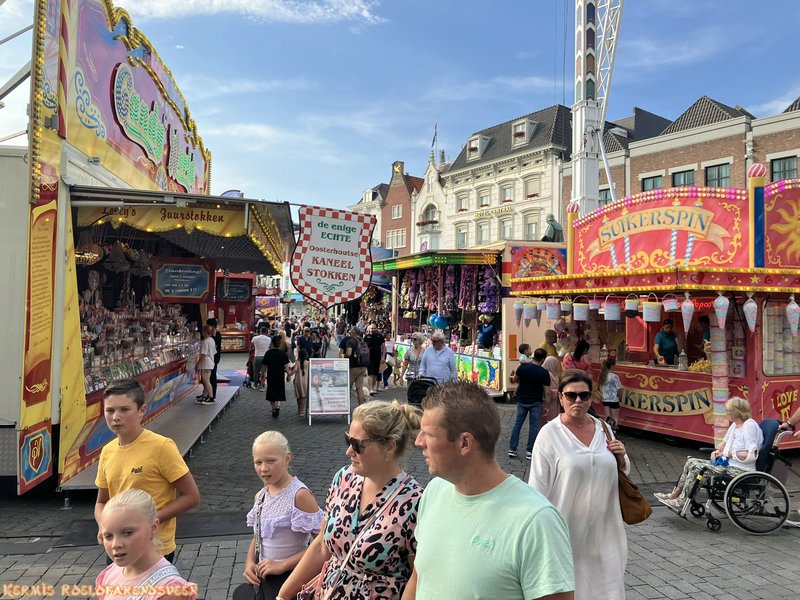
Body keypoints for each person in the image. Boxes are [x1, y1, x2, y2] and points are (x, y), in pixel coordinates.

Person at [405, 381, 574, 600]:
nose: (419, 442)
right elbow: (419, 577)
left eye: (428, 434)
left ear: (464, 443)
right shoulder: (435, 492)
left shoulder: (536, 521)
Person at [277, 401, 423, 599]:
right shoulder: (344, 478)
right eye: (348, 440)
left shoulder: (415, 501)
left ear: (389, 447)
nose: (348, 451)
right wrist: (283, 595)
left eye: (357, 445)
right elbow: (321, 546)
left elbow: (418, 576)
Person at [529, 370, 628, 600]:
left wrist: (622, 457)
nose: (577, 401)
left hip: (606, 532)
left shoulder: (603, 429)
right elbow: (536, 488)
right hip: (566, 534)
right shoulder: (549, 434)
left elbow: (621, 471)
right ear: (560, 397)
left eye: (584, 395)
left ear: (591, 397)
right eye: (571, 395)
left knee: (608, 591)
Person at [95, 379, 201, 563]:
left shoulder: (161, 447)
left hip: (154, 549)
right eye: (110, 410)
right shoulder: (107, 451)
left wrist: (150, 522)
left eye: (124, 409)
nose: (116, 417)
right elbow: (102, 502)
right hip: (117, 549)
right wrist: (104, 525)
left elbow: (191, 496)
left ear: (141, 410)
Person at [241, 431, 322, 598]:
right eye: (258, 462)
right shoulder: (261, 496)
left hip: (293, 576)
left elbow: (323, 544)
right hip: (267, 578)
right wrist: (249, 562)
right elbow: (258, 535)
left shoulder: (299, 495)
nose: (264, 468)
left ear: (287, 458)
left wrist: (283, 564)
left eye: (271, 461)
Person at [655, 396, 763, 511]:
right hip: (729, 465)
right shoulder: (734, 425)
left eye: (728, 411)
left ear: (737, 412)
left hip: (740, 470)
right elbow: (723, 444)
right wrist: (717, 452)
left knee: (698, 468)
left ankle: (680, 502)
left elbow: (751, 455)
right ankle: (675, 494)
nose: (726, 413)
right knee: (691, 462)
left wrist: (728, 453)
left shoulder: (749, 426)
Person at [96, 489, 198, 600]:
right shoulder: (110, 574)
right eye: (108, 536)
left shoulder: (168, 592)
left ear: (153, 528)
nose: (115, 544)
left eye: (128, 533)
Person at [508, 348, 552, 460]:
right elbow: (547, 392)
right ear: (543, 359)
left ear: (533, 356)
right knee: (533, 426)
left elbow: (516, 380)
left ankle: (512, 449)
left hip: (522, 400)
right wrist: (547, 406)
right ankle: (530, 451)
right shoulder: (544, 372)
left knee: (518, 424)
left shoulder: (522, 368)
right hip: (536, 402)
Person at [263, 336, 291, 418]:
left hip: (271, 375)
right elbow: (286, 366)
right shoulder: (282, 353)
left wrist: (263, 373)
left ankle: (273, 409)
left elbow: (264, 366)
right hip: (280, 375)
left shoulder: (268, 353)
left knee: (271, 391)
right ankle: (278, 406)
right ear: (279, 344)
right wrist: (289, 374)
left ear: (272, 343)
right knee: (280, 391)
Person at [339, 327, 367, 405]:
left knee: (348, 388)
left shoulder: (350, 341)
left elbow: (349, 353)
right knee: (359, 388)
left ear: (353, 333)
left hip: (353, 367)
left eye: (350, 332)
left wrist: (342, 356)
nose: (349, 333)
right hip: (362, 367)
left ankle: (347, 408)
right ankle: (361, 407)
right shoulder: (363, 341)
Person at [598, 358, 623, 432]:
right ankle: (614, 432)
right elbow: (619, 389)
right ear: (612, 366)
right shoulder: (614, 376)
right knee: (615, 418)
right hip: (614, 399)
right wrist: (620, 397)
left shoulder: (602, 375)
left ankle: (606, 431)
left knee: (607, 416)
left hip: (605, 399)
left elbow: (600, 387)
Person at [195, 325, 216, 404]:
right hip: (210, 362)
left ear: (204, 332)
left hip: (206, 363)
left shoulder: (205, 342)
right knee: (206, 381)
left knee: (206, 381)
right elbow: (214, 352)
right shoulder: (212, 340)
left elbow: (203, 354)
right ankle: (205, 396)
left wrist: (198, 363)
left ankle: (211, 397)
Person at [364, 322, 386, 395]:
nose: (373, 329)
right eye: (372, 328)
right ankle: (370, 389)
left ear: (376, 328)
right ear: (369, 329)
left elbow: (383, 347)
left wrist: (383, 357)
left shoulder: (380, 336)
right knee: (370, 373)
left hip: (378, 357)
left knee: (375, 373)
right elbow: (363, 348)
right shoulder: (366, 337)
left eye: (374, 328)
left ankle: (373, 388)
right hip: (369, 358)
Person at [289, 348, 309, 418]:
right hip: (305, 381)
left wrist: (289, 375)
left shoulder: (297, 362)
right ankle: (302, 410)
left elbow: (294, 370)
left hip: (298, 381)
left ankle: (299, 408)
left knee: (298, 395)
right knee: (304, 396)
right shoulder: (308, 363)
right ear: (306, 356)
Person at [251, 326, 272, 391]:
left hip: (257, 356)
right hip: (265, 357)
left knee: (256, 372)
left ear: (260, 331)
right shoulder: (269, 339)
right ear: (266, 332)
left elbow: (251, 347)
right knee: (264, 372)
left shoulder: (255, 338)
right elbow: (270, 347)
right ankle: (262, 386)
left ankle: (255, 385)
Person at [541, 355, 561, 423]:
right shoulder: (547, 374)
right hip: (548, 402)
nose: (556, 366)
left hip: (552, 402)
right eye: (555, 364)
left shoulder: (551, 374)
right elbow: (548, 390)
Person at [206, 318, 222, 400]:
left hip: (214, 358)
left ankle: (212, 394)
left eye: (208, 325)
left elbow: (215, 346)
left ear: (212, 326)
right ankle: (207, 393)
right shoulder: (212, 334)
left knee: (212, 376)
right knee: (208, 377)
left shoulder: (217, 335)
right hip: (212, 357)